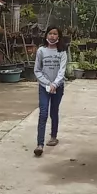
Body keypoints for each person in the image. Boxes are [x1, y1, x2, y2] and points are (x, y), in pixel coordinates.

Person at [33, 25, 68, 157]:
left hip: (58, 87)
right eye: (50, 33)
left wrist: (55, 84)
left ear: (59, 37)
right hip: (44, 87)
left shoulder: (62, 52)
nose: (52, 36)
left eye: (55, 34)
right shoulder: (41, 51)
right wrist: (47, 83)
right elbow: (37, 70)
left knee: (54, 111)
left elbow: (62, 70)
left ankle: (53, 136)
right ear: (46, 35)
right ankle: (39, 144)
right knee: (43, 113)